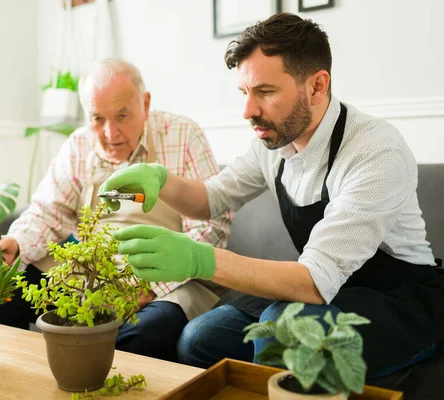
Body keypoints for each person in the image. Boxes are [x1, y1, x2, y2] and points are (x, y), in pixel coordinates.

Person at [98, 13, 444, 378]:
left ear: (316, 86)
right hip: (330, 288)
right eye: (245, 93)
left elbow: (312, 279)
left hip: (396, 298)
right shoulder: (273, 143)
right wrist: (160, 179)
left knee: (284, 333)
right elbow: (210, 200)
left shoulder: (375, 151)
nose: (248, 111)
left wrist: (200, 260)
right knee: (199, 339)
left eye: (265, 91)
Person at [0, 58, 231, 363]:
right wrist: (18, 243)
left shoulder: (182, 135)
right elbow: (48, 212)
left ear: (145, 103)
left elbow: (210, 228)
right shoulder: (78, 145)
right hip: (91, 275)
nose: (109, 133)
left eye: (122, 116)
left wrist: (149, 288)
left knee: (146, 332)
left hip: (168, 279)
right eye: (97, 119)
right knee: (0, 298)